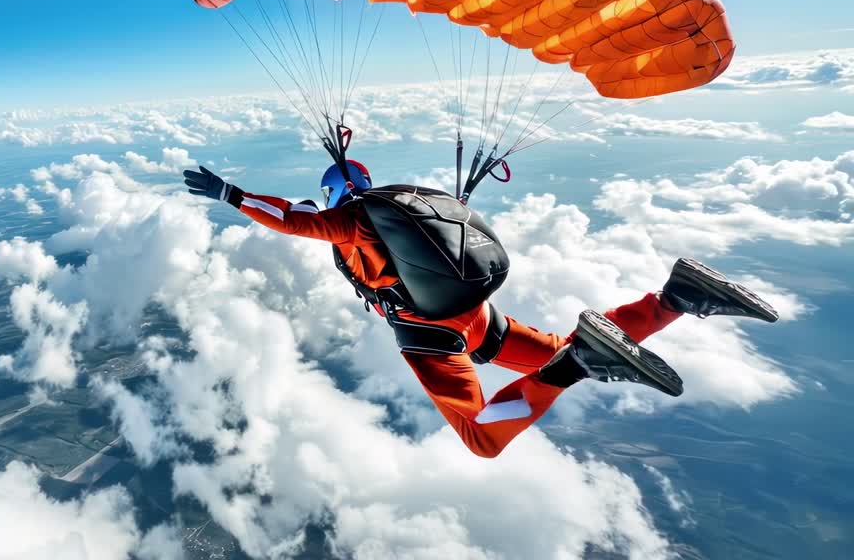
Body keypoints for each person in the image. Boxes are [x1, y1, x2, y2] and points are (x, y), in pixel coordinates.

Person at [184, 162, 778, 458]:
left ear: (336, 194)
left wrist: (231, 195)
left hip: (433, 338)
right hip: (480, 317)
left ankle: (581, 365)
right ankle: (678, 297)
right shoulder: (407, 204)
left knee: (481, 438)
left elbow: (292, 218)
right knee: (561, 349)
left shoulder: (349, 223)